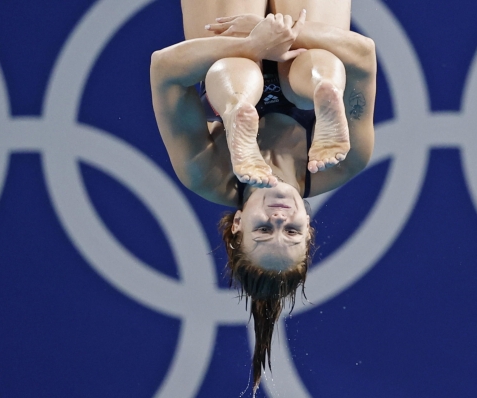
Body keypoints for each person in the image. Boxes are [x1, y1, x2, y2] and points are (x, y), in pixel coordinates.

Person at [150, 0, 376, 393]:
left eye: (263, 229)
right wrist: (288, 35)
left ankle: (238, 107)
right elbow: (363, 54)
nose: (279, 214)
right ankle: (325, 90)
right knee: (321, 65)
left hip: (237, 52)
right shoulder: (344, 160)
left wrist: (257, 41)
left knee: (235, 71)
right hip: (302, 46)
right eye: (290, 231)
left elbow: (164, 68)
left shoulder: (205, 171)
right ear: (308, 230)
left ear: (238, 224)